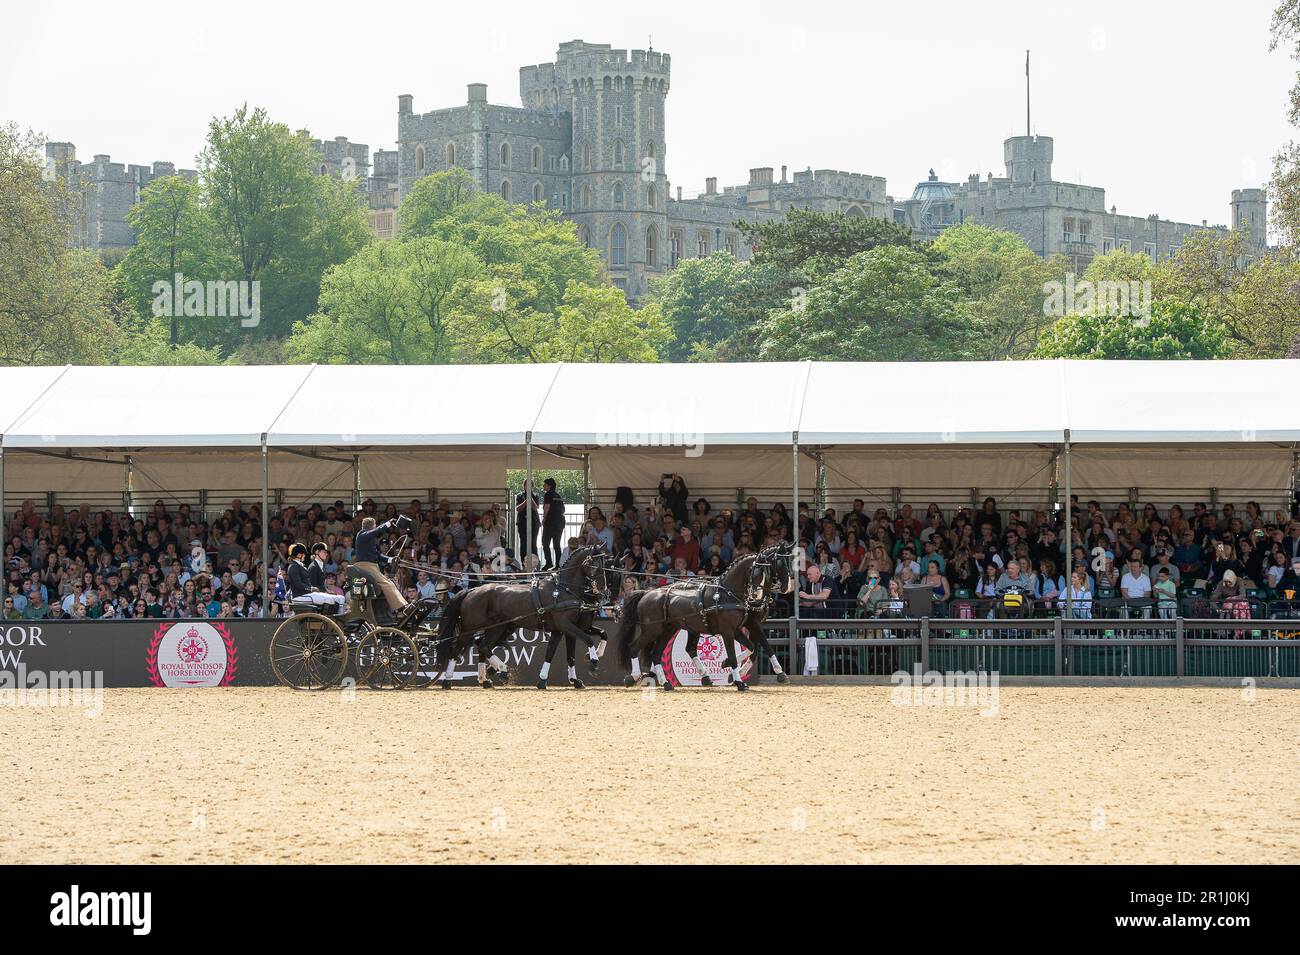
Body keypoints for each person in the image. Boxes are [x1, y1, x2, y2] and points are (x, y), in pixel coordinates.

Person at [351, 515, 411, 618]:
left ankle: (390, 611)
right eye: (375, 526)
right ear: (372, 527)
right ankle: (401, 608)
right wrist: (387, 524)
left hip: (372, 567)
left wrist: (390, 559)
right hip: (364, 566)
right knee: (387, 583)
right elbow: (374, 532)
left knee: (389, 583)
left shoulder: (370, 539)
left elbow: (378, 556)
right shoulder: (361, 535)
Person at [286, 543, 345, 612]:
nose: (305, 556)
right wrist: (311, 588)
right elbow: (298, 584)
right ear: (299, 555)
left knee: (336, 599)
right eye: (304, 554)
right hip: (300, 595)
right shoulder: (294, 567)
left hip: (305, 594)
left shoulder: (299, 566)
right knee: (329, 599)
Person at [541, 478, 565, 571]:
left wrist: (544, 518)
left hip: (551, 522)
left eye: (545, 484)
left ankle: (548, 563)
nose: (543, 486)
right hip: (560, 522)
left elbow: (547, 507)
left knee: (545, 542)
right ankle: (558, 564)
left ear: (549, 486)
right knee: (556, 544)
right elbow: (563, 509)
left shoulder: (548, 494)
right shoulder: (558, 495)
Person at [515, 480, 541, 562]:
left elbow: (535, 507)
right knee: (523, 544)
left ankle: (535, 564)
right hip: (522, 522)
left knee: (533, 544)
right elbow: (518, 508)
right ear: (524, 486)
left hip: (534, 523)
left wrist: (530, 498)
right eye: (527, 485)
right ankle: (524, 563)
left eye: (531, 485)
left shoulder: (535, 496)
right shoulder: (520, 496)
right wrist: (526, 501)